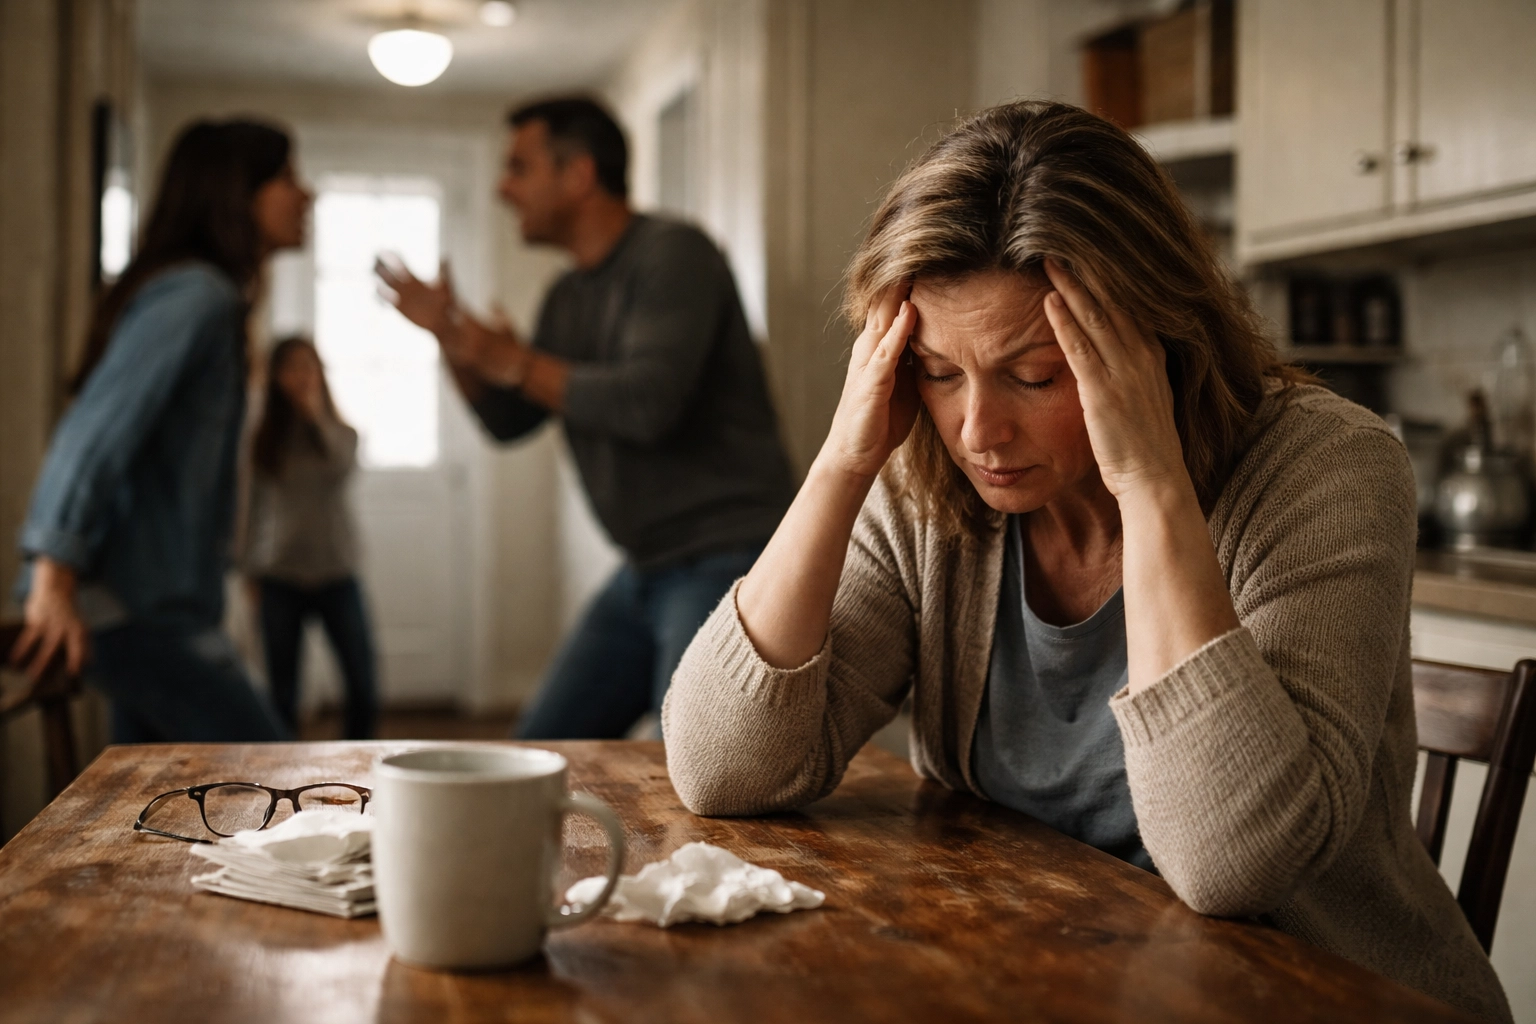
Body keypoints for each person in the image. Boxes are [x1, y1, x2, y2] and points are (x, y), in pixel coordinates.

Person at [662, 101, 1511, 1022]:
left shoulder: (1326, 468)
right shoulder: (933, 483)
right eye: (940, 372)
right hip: (1055, 975)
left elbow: (1233, 864)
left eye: (1034, 376)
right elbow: (721, 770)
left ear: (1156, 341)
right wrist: (844, 461)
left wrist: (1149, 478)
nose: (978, 431)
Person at [376, 97, 795, 740]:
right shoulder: (567, 295)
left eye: (519, 167)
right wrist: (452, 341)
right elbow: (510, 420)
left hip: (727, 559)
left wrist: (510, 359)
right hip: (644, 565)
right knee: (539, 748)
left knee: (689, 760)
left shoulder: (674, 255)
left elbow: (645, 403)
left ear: (578, 175)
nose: (501, 188)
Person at [9, 119, 307, 744]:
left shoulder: (207, 297)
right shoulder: (198, 296)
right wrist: (52, 578)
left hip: (161, 604)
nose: (305, 194)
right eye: (285, 177)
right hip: (136, 610)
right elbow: (94, 429)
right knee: (275, 774)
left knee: (161, 810)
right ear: (238, 192)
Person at [242, 336, 379, 740]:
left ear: (320, 372)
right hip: (278, 573)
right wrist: (248, 571)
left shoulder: (341, 433)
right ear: (275, 377)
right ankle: (285, 782)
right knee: (282, 693)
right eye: (289, 367)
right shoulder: (262, 440)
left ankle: (361, 768)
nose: (300, 375)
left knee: (363, 683)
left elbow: (341, 470)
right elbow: (250, 509)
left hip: (336, 570)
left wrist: (315, 417)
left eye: (308, 365)